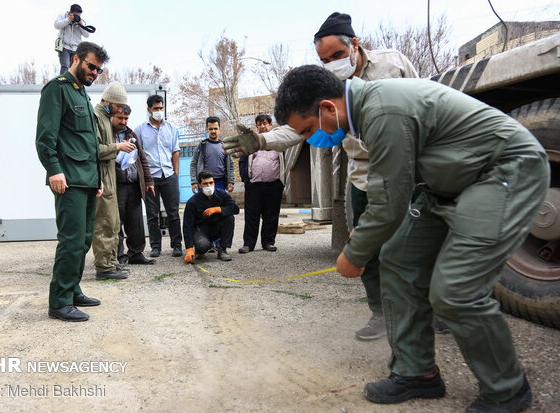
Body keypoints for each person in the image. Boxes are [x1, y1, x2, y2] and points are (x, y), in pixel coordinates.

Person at [273, 64, 549, 413]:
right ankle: (417, 372)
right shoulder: (367, 111)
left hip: (502, 170)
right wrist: (370, 231)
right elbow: (390, 183)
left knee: (456, 290)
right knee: (399, 259)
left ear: (328, 108)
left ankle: (507, 389)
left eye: (310, 129)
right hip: (445, 183)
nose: (313, 138)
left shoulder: (383, 109)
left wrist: (354, 254)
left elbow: (390, 201)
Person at [223, 11, 418, 341]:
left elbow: (421, 103)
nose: (332, 64)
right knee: (364, 249)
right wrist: (261, 140)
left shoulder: (393, 64)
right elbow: (300, 128)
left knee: (415, 245)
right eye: (324, 59)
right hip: (362, 174)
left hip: (404, 169)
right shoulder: (327, 85)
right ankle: (380, 314)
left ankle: (426, 309)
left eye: (337, 56)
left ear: (354, 45)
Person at [35, 41, 109, 322]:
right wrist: (54, 170)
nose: (94, 73)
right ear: (76, 59)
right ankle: (59, 301)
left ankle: (73, 289)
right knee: (71, 240)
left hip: (87, 180)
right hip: (68, 180)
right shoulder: (58, 88)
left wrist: (98, 179)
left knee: (84, 239)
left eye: (98, 70)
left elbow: (89, 144)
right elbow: (46, 137)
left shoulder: (81, 95)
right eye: (91, 66)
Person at [92, 82, 134, 280]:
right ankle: (103, 267)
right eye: (118, 106)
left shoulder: (106, 118)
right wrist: (117, 148)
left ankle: (113, 262)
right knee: (104, 224)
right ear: (108, 101)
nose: (120, 110)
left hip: (110, 179)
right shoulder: (96, 118)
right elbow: (94, 150)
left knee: (114, 223)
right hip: (102, 178)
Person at [134, 95, 183, 258]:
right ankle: (155, 246)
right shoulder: (140, 130)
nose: (159, 111)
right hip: (151, 178)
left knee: (173, 212)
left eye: (161, 108)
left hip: (169, 175)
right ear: (149, 109)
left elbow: (175, 151)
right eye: (156, 108)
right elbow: (138, 155)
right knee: (152, 214)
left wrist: (176, 173)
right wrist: (143, 177)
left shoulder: (171, 128)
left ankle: (177, 245)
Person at [112, 105, 156, 265]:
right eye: (120, 118)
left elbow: (142, 158)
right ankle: (119, 258)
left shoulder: (131, 134)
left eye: (126, 118)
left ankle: (136, 254)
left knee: (135, 221)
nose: (123, 121)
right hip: (116, 185)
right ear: (112, 117)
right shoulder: (107, 135)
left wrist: (149, 181)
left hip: (134, 185)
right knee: (117, 223)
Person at [238, 114, 285, 254]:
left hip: (274, 185)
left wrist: (283, 182)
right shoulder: (251, 142)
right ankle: (248, 244)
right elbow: (243, 160)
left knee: (271, 215)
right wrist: (246, 179)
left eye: (265, 123)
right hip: (254, 185)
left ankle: (268, 242)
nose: (262, 126)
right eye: (259, 124)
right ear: (257, 127)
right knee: (251, 216)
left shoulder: (278, 142)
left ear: (270, 125)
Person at [183, 170, 240, 263]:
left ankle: (223, 249)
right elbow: (187, 226)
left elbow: (235, 208)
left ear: (214, 182)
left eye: (211, 183)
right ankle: (199, 249)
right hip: (201, 231)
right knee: (203, 246)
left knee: (229, 217)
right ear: (200, 185)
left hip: (217, 228)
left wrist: (218, 209)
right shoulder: (192, 202)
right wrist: (189, 248)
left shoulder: (222, 194)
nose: (209, 186)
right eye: (205, 184)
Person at [190, 116, 235, 193]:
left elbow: (231, 165)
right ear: (207, 129)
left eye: (215, 128)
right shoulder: (202, 146)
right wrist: (194, 181)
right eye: (210, 129)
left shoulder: (225, 146)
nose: (213, 131)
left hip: (220, 183)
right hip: (204, 183)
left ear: (219, 129)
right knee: (204, 205)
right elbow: (193, 164)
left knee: (219, 205)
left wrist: (231, 181)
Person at [54, 4, 91, 75]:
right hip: (64, 46)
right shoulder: (63, 16)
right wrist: (68, 20)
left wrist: (81, 24)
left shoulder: (80, 21)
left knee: (75, 68)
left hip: (76, 48)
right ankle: (62, 83)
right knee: (65, 66)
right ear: (71, 12)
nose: (77, 16)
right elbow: (56, 25)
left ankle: (73, 84)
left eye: (79, 15)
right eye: (76, 14)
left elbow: (87, 35)